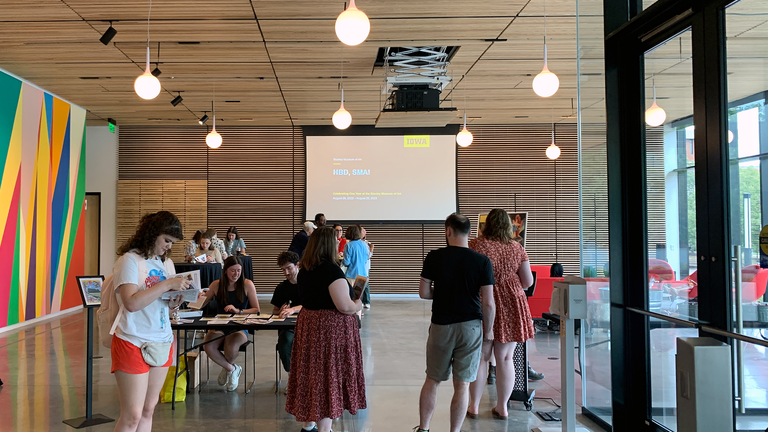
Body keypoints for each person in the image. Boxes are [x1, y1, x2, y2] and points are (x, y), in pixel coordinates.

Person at [111, 211, 191, 432]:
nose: (168, 247)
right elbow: (131, 303)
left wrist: (176, 301)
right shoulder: (130, 260)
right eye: (166, 240)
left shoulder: (167, 264)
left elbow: (162, 304)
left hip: (162, 339)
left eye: (172, 243)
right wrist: (166, 285)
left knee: (148, 409)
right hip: (132, 339)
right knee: (132, 415)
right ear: (152, 233)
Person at [415, 213, 495, 432]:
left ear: (448, 231)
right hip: (471, 326)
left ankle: (424, 428)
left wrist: (441, 294)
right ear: (470, 233)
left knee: (433, 379)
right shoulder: (482, 261)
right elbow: (488, 303)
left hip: (442, 325)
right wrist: (489, 333)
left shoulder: (434, 257)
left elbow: (423, 292)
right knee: (462, 384)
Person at [286, 226, 366, 432]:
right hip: (329, 330)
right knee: (326, 376)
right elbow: (345, 306)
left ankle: (309, 424)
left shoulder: (305, 270)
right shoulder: (331, 271)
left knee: (313, 373)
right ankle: (325, 428)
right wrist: (358, 305)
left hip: (310, 325)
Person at [467, 208, 535, 419]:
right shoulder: (517, 247)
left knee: (481, 357)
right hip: (512, 303)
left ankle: (474, 406)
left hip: (482, 300)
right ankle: (502, 407)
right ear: (509, 226)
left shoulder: (475, 245)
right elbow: (527, 282)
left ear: (486, 225)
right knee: (505, 358)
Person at [201, 255, 260, 392]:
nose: (236, 274)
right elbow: (201, 305)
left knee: (231, 346)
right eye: (233, 271)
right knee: (208, 346)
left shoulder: (247, 284)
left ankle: (227, 368)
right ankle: (232, 368)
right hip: (220, 324)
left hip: (239, 325)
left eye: (238, 270)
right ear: (225, 270)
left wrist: (238, 311)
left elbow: (256, 310)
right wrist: (198, 298)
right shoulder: (216, 284)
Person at [270, 251, 303, 394]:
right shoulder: (281, 288)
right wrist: (281, 310)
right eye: (283, 269)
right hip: (289, 328)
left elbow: (313, 304)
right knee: (284, 343)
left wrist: (294, 309)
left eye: (289, 268)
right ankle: (293, 377)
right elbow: (275, 311)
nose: (286, 272)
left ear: (297, 265)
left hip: (308, 326)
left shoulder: (308, 284)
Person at [342, 225, 370, 312]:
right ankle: (359, 317)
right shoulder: (364, 244)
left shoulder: (348, 245)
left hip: (352, 274)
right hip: (363, 274)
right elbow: (366, 259)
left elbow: (347, 262)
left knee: (351, 297)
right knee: (359, 299)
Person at [358, 225, 374, 309]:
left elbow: (368, 256)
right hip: (361, 266)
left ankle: (367, 301)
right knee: (361, 283)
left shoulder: (367, 243)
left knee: (365, 283)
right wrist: (371, 249)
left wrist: (371, 249)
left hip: (366, 266)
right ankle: (363, 301)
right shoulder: (360, 243)